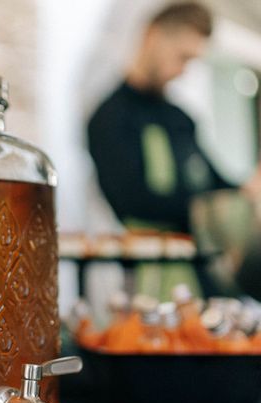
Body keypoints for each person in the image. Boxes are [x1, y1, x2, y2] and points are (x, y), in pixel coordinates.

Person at [87, 1, 261, 297]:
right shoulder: (110, 118)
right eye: (182, 57)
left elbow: (212, 180)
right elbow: (133, 201)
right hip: (148, 281)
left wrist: (246, 187)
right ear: (152, 37)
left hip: (204, 276)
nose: (183, 71)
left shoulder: (181, 119)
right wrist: (211, 203)